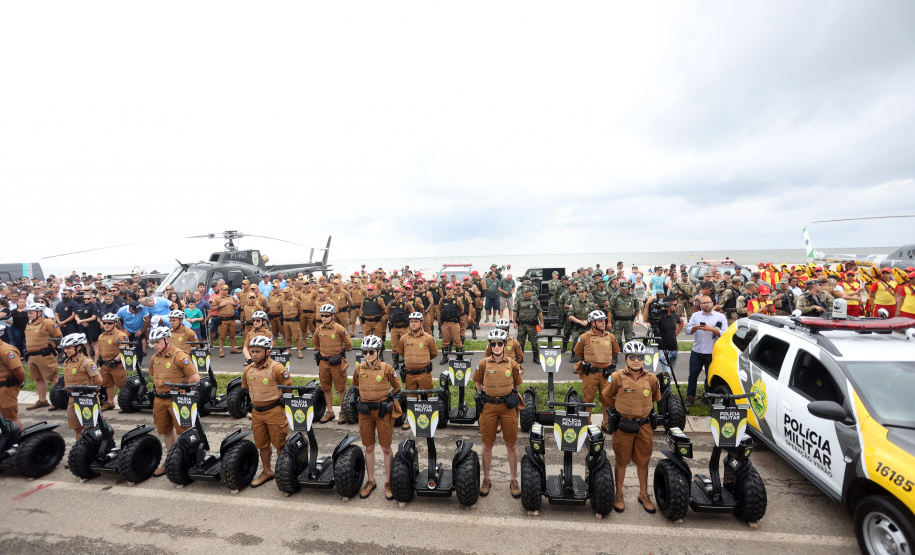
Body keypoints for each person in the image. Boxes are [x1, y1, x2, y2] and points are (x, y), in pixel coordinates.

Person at [605, 341, 660, 513]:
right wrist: (622, 407)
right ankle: (619, 494)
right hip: (624, 426)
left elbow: (653, 398)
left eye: (640, 357)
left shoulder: (652, 378)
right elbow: (607, 396)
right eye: (632, 357)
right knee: (621, 460)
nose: (636, 360)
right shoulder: (616, 377)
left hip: (644, 426)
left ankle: (643, 494)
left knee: (643, 460)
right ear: (626, 358)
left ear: (644, 359)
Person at [473, 329, 524, 499]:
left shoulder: (513, 364)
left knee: (511, 444)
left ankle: (514, 480)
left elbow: (517, 384)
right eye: (493, 343)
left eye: (499, 343)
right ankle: (486, 479)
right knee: (487, 445)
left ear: (504, 345)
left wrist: (509, 395)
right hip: (489, 407)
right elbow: (477, 382)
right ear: (490, 345)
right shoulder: (483, 363)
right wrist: (486, 394)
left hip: (507, 407)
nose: (496, 346)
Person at [353, 334, 402, 500]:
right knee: (368, 447)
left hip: (382, 413)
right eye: (365, 352)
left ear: (378, 351)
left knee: (386, 448)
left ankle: (388, 482)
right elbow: (355, 386)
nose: (367, 355)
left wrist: (387, 396)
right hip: (365, 413)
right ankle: (371, 481)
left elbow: (397, 386)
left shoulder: (387, 368)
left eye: (371, 352)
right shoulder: (359, 368)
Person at [241, 335, 292, 488]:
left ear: (267, 351)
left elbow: (288, 389)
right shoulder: (248, 370)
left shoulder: (277, 368)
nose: (254, 354)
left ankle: (284, 472)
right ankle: (267, 471)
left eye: (257, 351)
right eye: (252, 351)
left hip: (274, 411)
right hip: (257, 413)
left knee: (280, 444)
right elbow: (246, 388)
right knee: (262, 444)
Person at [147, 326, 199, 477]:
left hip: (177, 399)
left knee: (185, 431)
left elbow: (194, 378)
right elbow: (153, 376)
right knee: (166, 430)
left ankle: (189, 460)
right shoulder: (154, 357)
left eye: (157, 342)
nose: (155, 345)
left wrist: (183, 392)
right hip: (160, 399)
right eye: (153, 343)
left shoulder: (180, 356)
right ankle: (171, 460)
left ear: (167, 340)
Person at [573, 310, 620, 428]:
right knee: (588, 398)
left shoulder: (610, 337)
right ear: (593, 323)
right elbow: (579, 352)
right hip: (590, 373)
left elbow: (615, 351)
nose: (603, 323)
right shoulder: (584, 337)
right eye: (600, 321)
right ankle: (587, 421)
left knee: (607, 398)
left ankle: (606, 422)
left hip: (606, 374)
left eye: (604, 320)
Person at [394, 312, 438, 429]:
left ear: (421, 323)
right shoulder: (404, 338)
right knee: (411, 398)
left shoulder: (428, 338)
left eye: (416, 322)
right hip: (410, 375)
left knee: (427, 396)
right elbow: (401, 352)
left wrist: (423, 361)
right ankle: (410, 420)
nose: (413, 324)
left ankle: (428, 418)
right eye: (411, 322)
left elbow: (434, 353)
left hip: (424, 374)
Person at [313, 304, 353, 424]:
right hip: (323, 363)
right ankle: (330, 412)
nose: (324, 318)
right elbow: (316, 344)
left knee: (341, 388)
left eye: (327, 316)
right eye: (322, 316)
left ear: (333, 316)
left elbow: (349, 344)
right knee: (325, 387)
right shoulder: (319, 330)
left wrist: (340, 352)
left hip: (336, 362)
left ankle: (342, 412)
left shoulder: (339, 329)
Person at [685, 296, 727, 406]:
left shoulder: (720, 317)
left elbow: (724, 334)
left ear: (712, 303)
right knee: (693, 375)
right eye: (704, 303)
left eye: (708, 302)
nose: (706, 305)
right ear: (700, 305)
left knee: (709, 376)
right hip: (697, 350)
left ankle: (707, 396)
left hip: (712, 352)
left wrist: (711, 329)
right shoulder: (695, 315)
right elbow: (688, 331)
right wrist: (696, 327)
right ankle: (690, 396)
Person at [59, 333, 103, 439]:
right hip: (73, 398)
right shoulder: (67, 362)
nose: (65, 350)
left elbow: (98, 380)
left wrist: (94, 392)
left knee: (91, 427)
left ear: (78, 347)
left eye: (68, 348)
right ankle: (80, 446)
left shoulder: (87, 362)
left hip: (86, 398)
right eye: (64, 348)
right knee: (77, 428)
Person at [24, 303, 63, 410]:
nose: (29, 315)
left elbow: (59, 337)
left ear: (39, 313)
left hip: (45, 355)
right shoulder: (29, 324)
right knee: (38, 378)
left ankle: (57, 401)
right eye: (28, 313)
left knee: (53, 377)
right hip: (32, 356)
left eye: (31, 313)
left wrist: (57, 349)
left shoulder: (48, 323)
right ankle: (42, 400)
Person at [641, 296, 684, 374]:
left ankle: (664, 382)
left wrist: (676, 333)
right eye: (675, 305)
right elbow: (646, 319)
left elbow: (681, 322)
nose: (677, 306)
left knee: (670, 374)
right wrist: (647, 304)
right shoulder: (659, 315)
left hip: (674, 349)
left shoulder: (674, 315)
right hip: (662, 350)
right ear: (668, 305)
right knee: (668, 373)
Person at [95, 313, 128, 411]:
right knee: (107, 384)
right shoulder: (101, 336)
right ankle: (110, 402)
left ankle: (125, 403)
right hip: (105, 364)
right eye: (104, 323)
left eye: (109, 323)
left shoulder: (121, 335)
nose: (106, 325)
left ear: (115, 323)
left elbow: (125, 349)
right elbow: (98, 349)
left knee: (122, 384)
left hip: (117, 364)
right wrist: (95, 361)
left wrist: (115, 360)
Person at [0, 328, 25, 428]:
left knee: (10, 419)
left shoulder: (6, 350)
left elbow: (19, 372)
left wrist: (18, 383)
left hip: (5, 389)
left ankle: (18, 438)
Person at [512, 288, 544, 362]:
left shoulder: (535, 300)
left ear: (531, 292)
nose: (525, 293)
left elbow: (539, 311)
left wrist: (542, 322)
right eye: (524, 292)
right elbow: (515, 311)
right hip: (522, 325)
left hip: (532, 325)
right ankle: (520, 358)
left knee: (534, 342)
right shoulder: (519, 300)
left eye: (527, 292)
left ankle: (536, 358)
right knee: (520, 342)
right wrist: (514, 322)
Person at [385, 287, 413, 369]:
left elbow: (412, 313)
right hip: (394, 328)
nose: (396, 294)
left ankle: (407, 361)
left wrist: (410, 324)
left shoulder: (406, 303)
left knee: (406, 345)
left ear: (401, 293)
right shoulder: (390, 304)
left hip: (404, 327)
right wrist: (390, 321)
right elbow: (387, 313)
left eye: (398, 292)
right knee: (394, 346)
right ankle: (395, 362)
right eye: (395, 292)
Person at [210, 284, 239, 357]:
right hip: (223, 320)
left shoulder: (231, 297)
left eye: (227, 290)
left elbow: (237, 303)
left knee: (232, 335)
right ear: (221, 290)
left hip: (231, 319)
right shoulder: (218, 298)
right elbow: (212, 308)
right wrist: (219, 305)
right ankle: (221, 350)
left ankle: (233, 348)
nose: (226, 291)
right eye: (224, 290)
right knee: (222, 336)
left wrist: (234, 304)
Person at [609, 281, 639, 350]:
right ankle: (617, 352)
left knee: (629, 339)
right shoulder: (615, 296)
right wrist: (609, 322)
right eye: (623, 289)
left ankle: (629, 353)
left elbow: (637, 308)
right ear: (620, 288)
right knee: (616, 339)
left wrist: (633, 317)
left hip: (628, 321)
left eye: (626, 288)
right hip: (618, 321)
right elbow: (609, 309)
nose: (625, 290)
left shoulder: (632, 296)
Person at [438, 283, 464, 365]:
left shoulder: (457, 299)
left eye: (450, 289)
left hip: (454, 323)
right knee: (445, 341)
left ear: (453, 290)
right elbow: (439, 309)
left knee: (457, 341)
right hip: (445, 323)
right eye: (447, 289)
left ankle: (459, 358)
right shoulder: (442, 300)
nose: (448, 290)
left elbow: (462, 309)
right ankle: (445, 358)